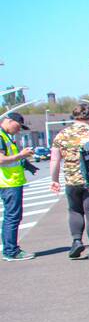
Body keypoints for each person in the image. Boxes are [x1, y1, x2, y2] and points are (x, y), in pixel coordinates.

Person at [49, 102, 89, 260]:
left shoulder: (62, 135)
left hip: (71, 180)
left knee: (75, 210)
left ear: (74, 116)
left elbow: (54, 160)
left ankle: (77, 240)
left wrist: (54, 180)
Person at [0, 111, 36, 261]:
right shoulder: (1, 137)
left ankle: (10, 249)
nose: (19, 130)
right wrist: (21, 155)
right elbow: (1, 160)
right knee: (12, 217)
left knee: (11, 216)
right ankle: (11, 251)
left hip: (11, 182)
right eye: (18, 126)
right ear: (8, 121)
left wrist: (26, 164)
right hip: (8, 183)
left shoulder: (6, 137)